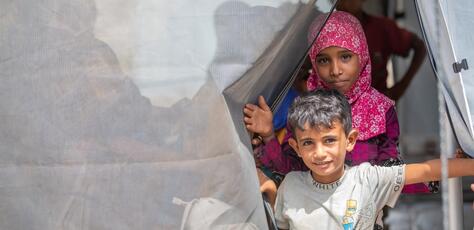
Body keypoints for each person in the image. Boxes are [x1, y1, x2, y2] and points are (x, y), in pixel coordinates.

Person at [245, 11, 428, 192]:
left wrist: (439, 175)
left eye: (345, 57)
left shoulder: (381, 110)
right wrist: (268, 135)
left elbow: (390, 174)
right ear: (314, 63)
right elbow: (290, 169)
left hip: (365, 216)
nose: (335, 70)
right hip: (313, 215)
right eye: (324, 60)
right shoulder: (306, 109)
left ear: (362, 54)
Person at [274, 89, 474, 230]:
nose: (319, 152)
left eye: (329, 140)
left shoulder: (367, 179)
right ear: (296, 147)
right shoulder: (291, 185)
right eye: (308, 143)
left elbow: (426, 170)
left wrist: (470, 165)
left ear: (350, 140)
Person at [335, 0, 427, 101]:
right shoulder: (325, 30)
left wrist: (400, 87)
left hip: (375, 108)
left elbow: (419, 46)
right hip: (337, 109)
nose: (345, 2)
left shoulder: (381, 27)